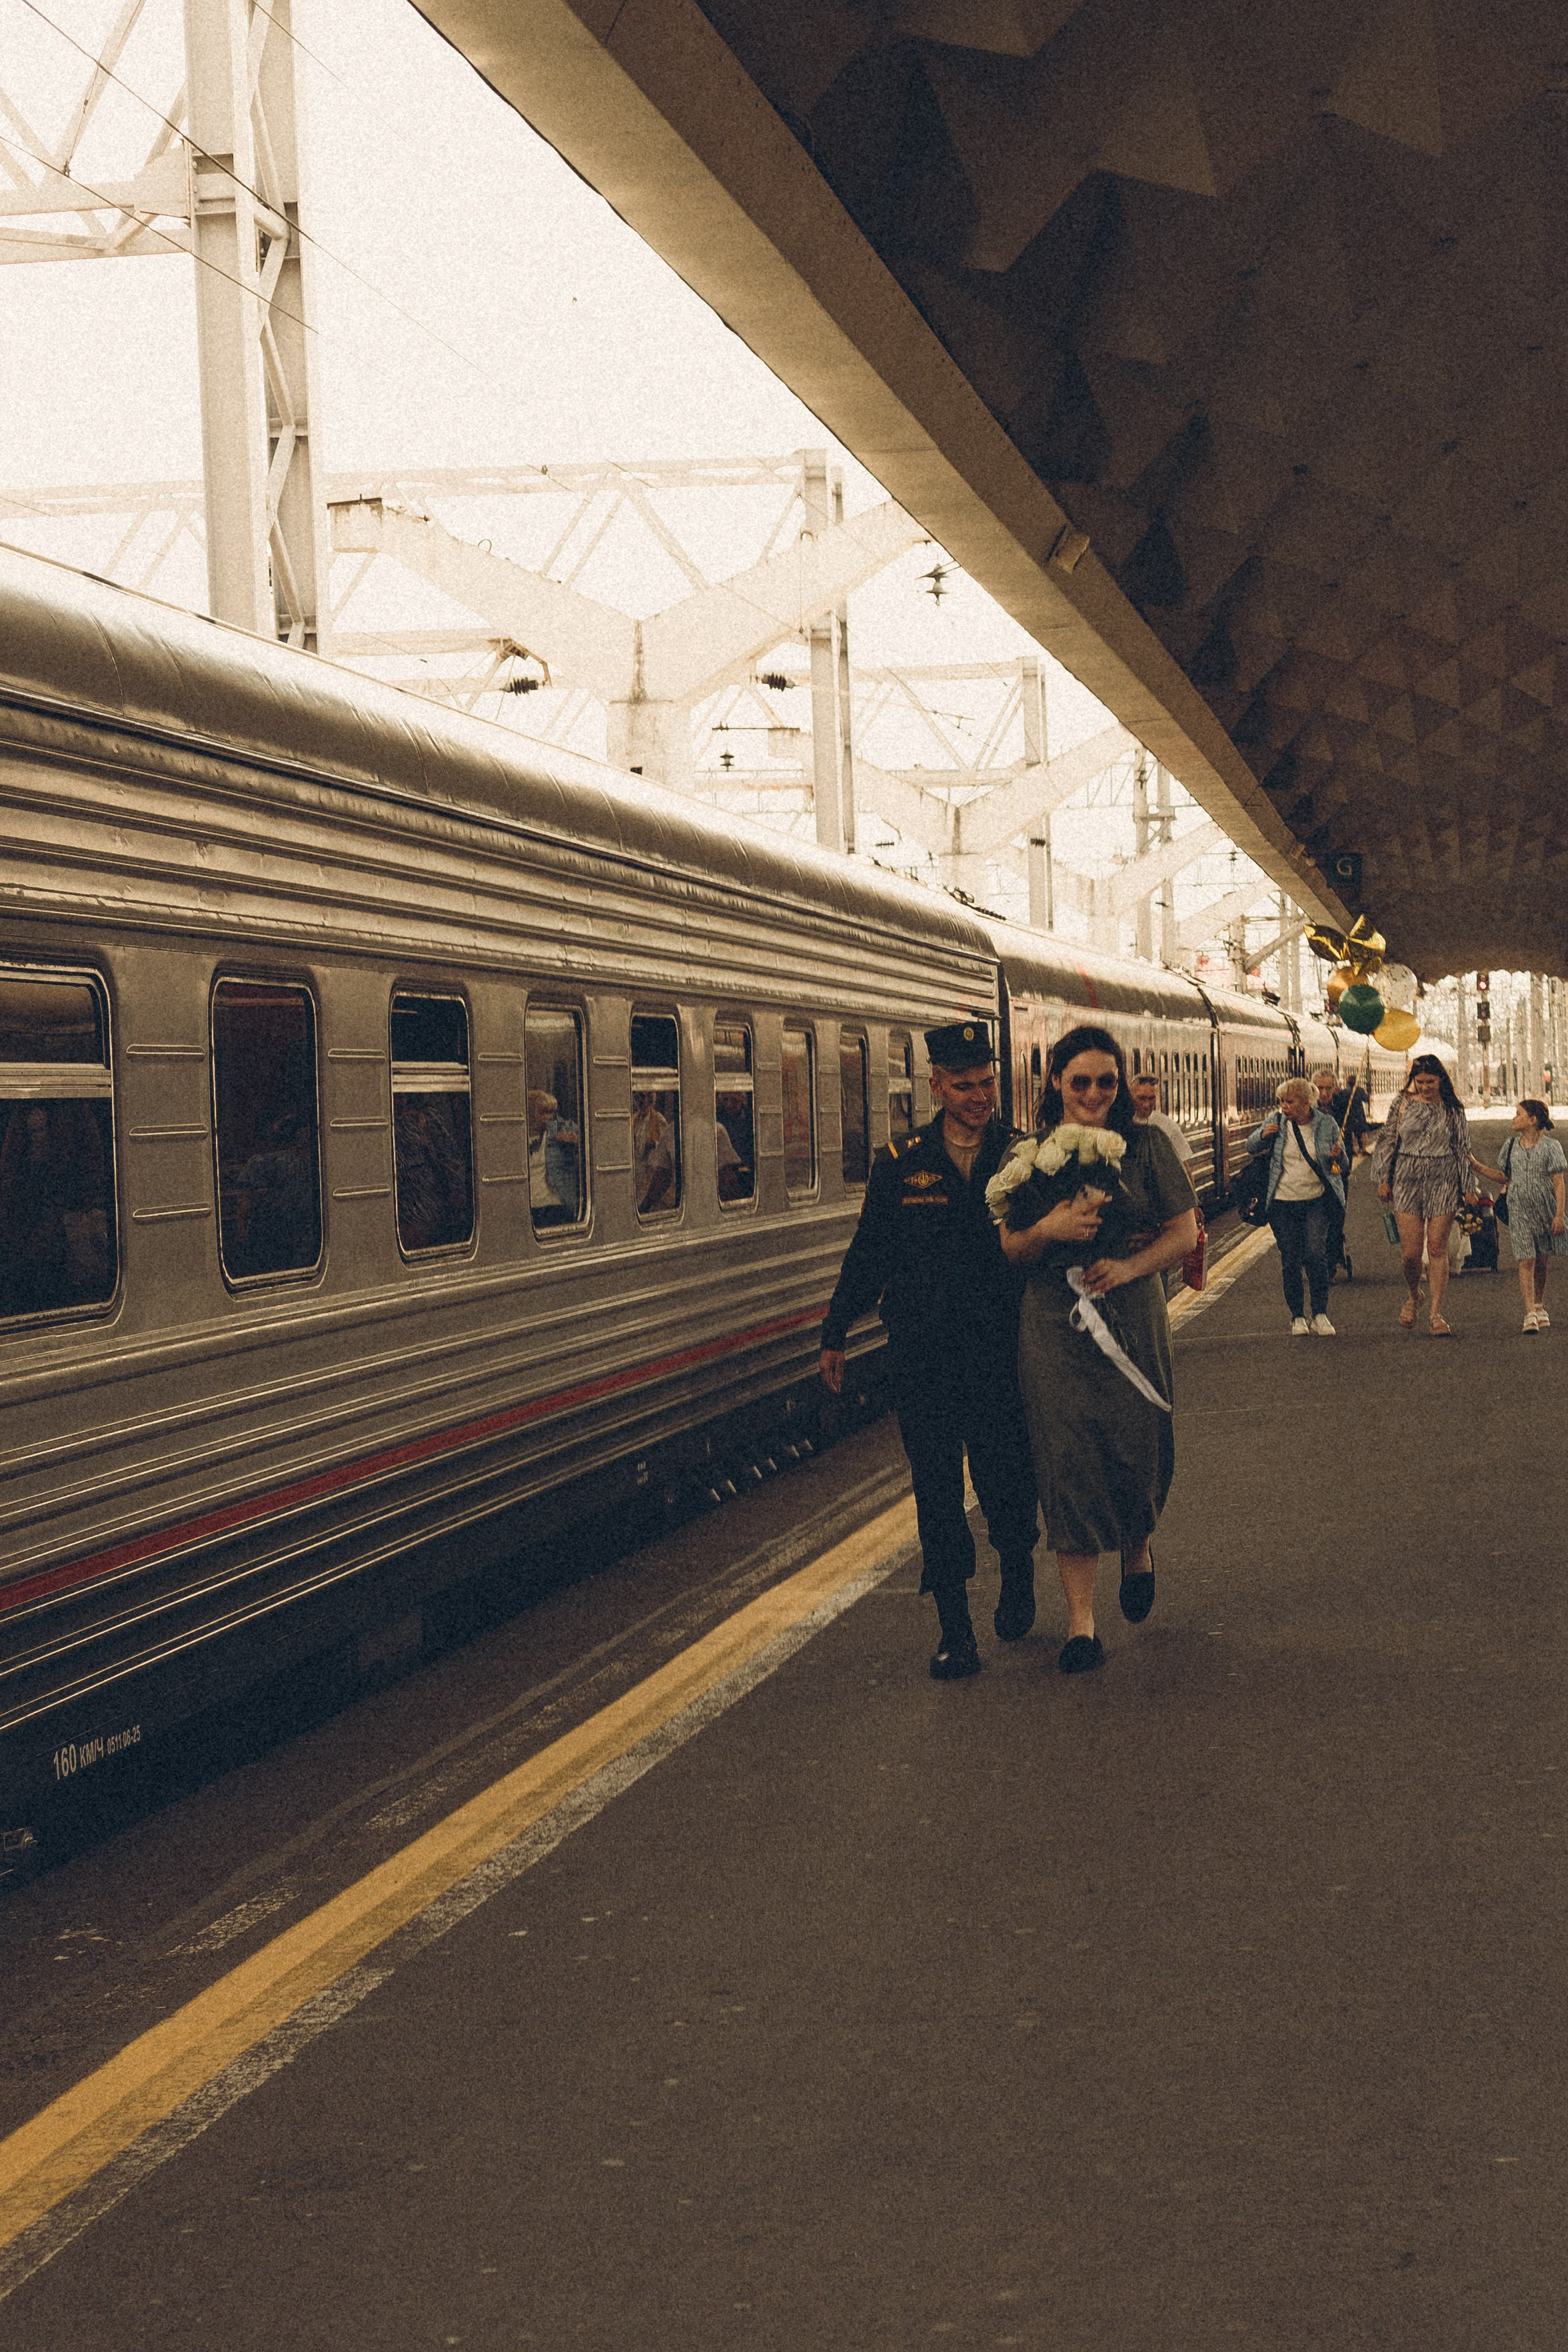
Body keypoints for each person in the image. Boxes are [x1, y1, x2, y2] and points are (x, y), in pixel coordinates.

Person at [820, 1020, 1040, 1681]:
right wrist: (836, 1328)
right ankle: (954, 1630)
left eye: (988, 1083)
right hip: (924, 1355)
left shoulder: (1023, 1155)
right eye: (966, 1085)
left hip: (1001, 1351)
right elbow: (870, 1253)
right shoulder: (900, 1162)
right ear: (937, 1085)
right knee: (936, 1492)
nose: (981, 1096)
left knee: (1006, 1480)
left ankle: (1018, 1566)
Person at [996, 1025, 1197, 1675]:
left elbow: (1184, 1233)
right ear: (1054, 1081)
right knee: (1067, 1454)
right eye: (1079, 1081)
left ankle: (1136, 1548)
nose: (1093, 1093)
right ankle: (1080, 1624)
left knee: (1137, 1442)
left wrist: (1132, 1267)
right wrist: (1050, 1227)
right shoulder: (1029, 1153)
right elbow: (1011, 1246)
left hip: (1132, 1316)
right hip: (1054, 1320)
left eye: (1105, 1082)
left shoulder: (1146, 1147)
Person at [1371, 1053, 1479, 1336]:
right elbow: (1387, 1142)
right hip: (1407, 1177)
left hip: (1443, 1177)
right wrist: (1384, 1179)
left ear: (1441, 1080)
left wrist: (1468, 1187)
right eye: (1420, 1082)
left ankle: (1436, 1313)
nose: (1425, 1087)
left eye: (1430, 1081)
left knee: (1437, 1249)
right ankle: (1414, 1294)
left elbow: (1462, 1148)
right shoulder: (1403, 1103)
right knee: (1410, 1255)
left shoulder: (1453, 1108)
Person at [1244, 1078, 1347, 1336]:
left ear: (1306, 1103)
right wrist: (1262, 1135)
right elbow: (1250, 1145)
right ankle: (1297, 1317)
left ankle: (1320, 1314)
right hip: (1282, 1202)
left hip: (1317, 1200)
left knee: (1315, 1254)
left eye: (1289, 1102)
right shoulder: (1277, 1121)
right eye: (1282, 1102)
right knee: (1290, 1259)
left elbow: (1342, 1165)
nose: (1284, 1106)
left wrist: (1338, 1155)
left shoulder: (1327, 1124)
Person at [1473, 1100, 1567, 1333]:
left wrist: (1559, 1215)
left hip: (1545, 1210)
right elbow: (1505, 1177)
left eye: (1518, 1114)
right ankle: (1530, 1314)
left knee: (1542, 1259)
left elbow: (1559, 1183)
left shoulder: (1551, 1147)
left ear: (1533, 1120)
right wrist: (1476, 1166)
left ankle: (1539, 1303)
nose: (1513, 1119)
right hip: (1519, 1210)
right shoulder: (1510, 1145)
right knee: (1526, 1260)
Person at [1309, 1066, 1353, 1279]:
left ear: (1335, 1089)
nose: (1324, 1093)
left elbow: (1350, 1142)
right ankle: (1319, 1261)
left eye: (1328, 1088)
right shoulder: (1305, 1112)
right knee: (1316, 1223)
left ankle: (1332, 1260)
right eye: (1320, 1088)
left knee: (1336, 1220)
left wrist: (1343, 1159)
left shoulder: (1343, 1110)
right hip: (1312, 1177)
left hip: (1337, 1175)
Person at [1129, 1070, 1191, 1164]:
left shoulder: (1168, 1125)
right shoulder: (1122, 1122)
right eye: (1141, 1098)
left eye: (1151, 1098)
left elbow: (1184, 1168)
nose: (1146, 1104)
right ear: (1131, 1096)